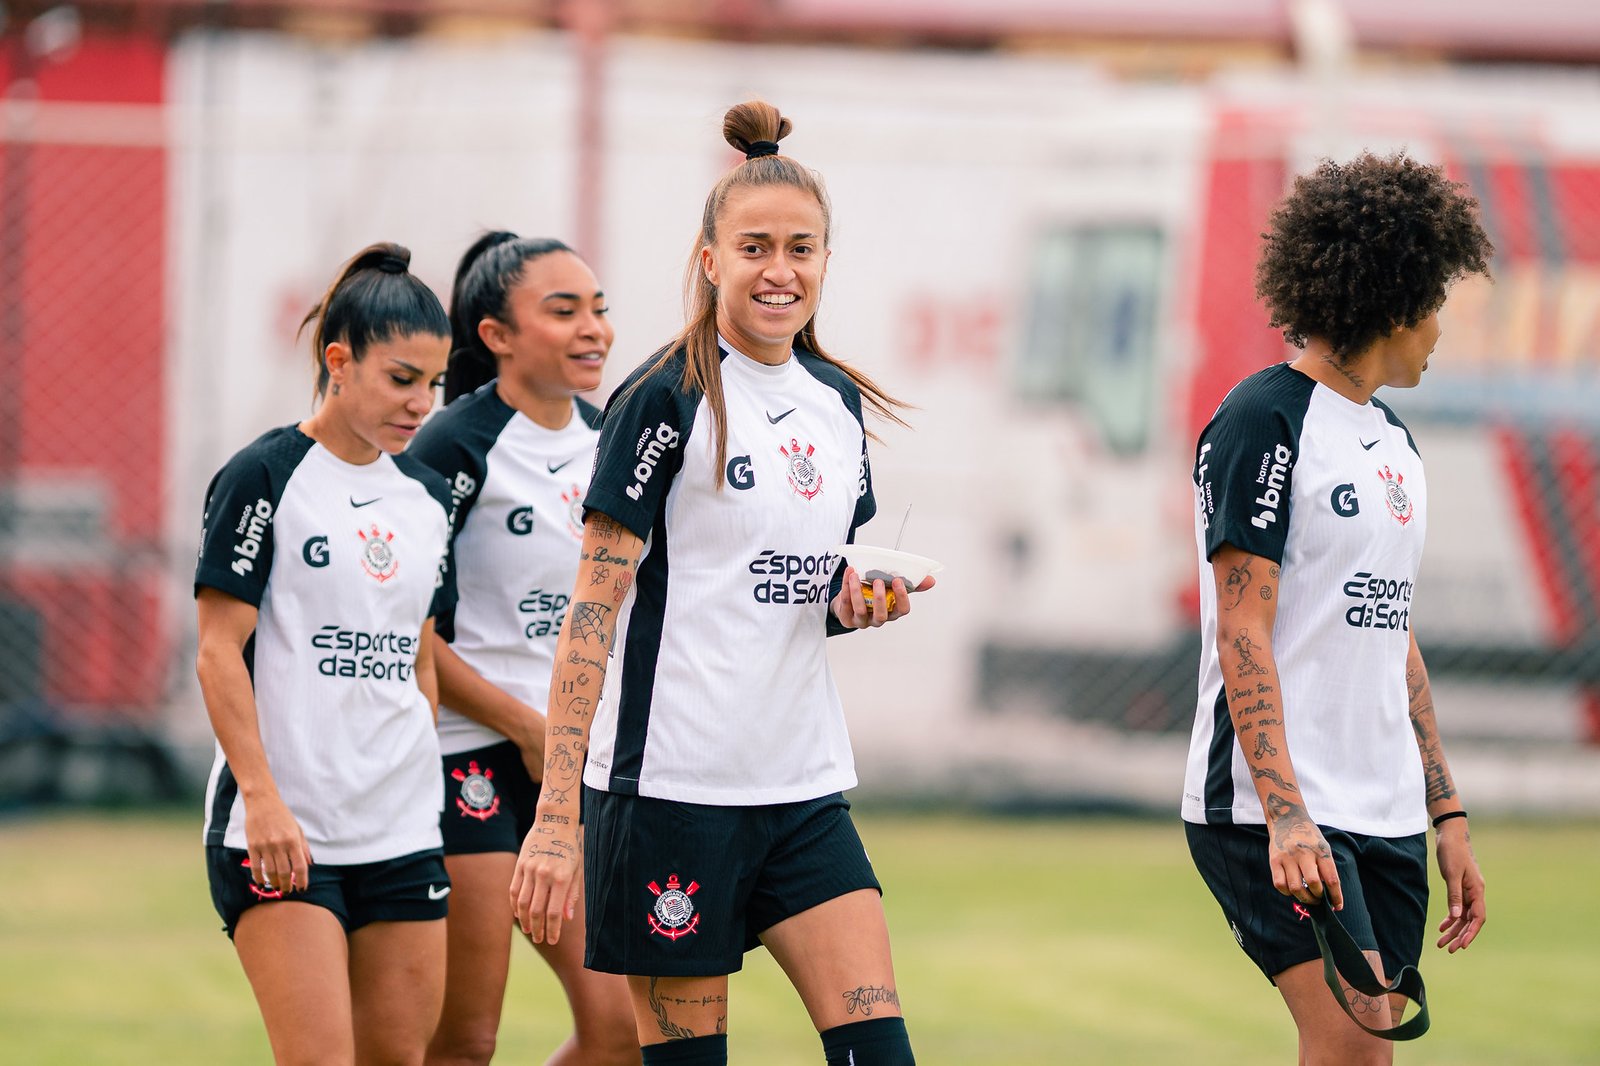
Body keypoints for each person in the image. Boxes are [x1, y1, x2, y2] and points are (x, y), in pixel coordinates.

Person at [510, 101, 932, 1066]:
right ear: (711, 261)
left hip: (803, 790)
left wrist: (857, 603)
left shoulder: (835, 404)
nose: (780, 270)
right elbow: (592, 615)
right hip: (670, 795)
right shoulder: (665, 396)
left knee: (883, 1054)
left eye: (801, 248)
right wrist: (557, 816)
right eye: (755, 248)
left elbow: (799, 590)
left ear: (826, 261)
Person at [1183, 152, 1493, 1065]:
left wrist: (1446, 814)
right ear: (1394, 301)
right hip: (1275, 811)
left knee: (1369, 1051)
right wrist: (1286, 813)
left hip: (1386, 812)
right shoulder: (1264, 420)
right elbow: (1243, 627)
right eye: (1435, 300)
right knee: (1356, 1046)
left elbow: (1395, 636)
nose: (1440, 325)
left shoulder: (1395, 443)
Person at [194, 242, 457, 1065]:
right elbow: (217, 653)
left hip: (401, 828)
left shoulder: (427, 499)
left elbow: (419, 657)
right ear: (339, 363)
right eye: (402, 379)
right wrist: (263, 802)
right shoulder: (265, 477)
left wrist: (412, 771)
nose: (421, 404)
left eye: (434, 383)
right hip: (285, 830)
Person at [408, 232, 638, 1066]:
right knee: (466, 1040)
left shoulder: (612, 438)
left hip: (567, 767)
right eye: (564, 311)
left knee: (622, 1033)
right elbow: (407, 633)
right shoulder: (452, 444)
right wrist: (522, 725)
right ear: (496, 335)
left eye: (599, 309)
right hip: (465, 756)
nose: (593, 329)